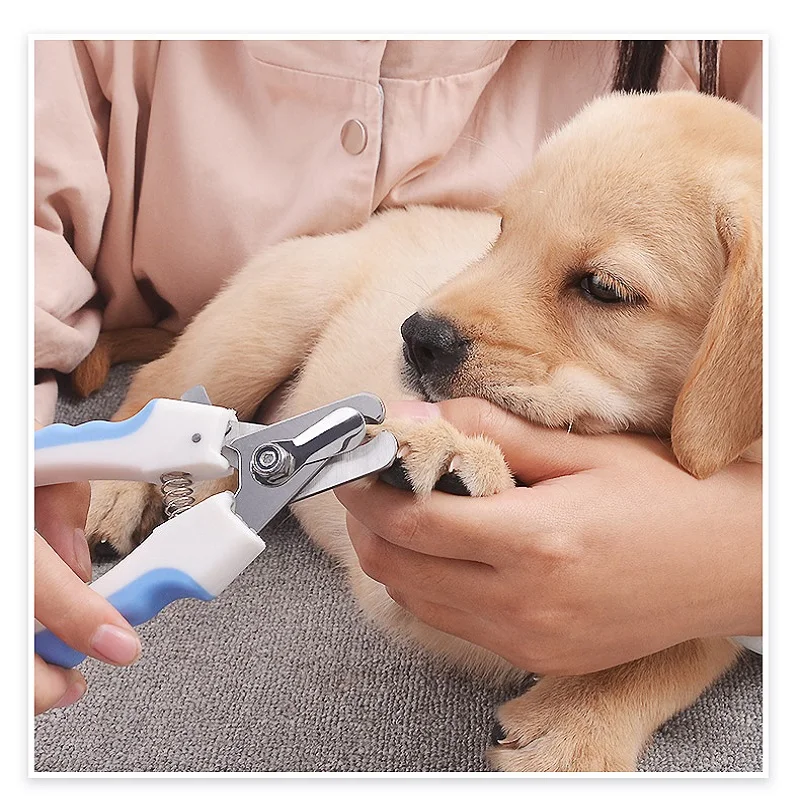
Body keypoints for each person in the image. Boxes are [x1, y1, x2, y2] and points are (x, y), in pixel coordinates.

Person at [33, 39, 762, 714]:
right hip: (341, 291)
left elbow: (710, 619)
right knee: (302, 282)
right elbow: (395, 585)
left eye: (602, 287)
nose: (433, 321)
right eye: (504, 228)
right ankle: (159, 426)